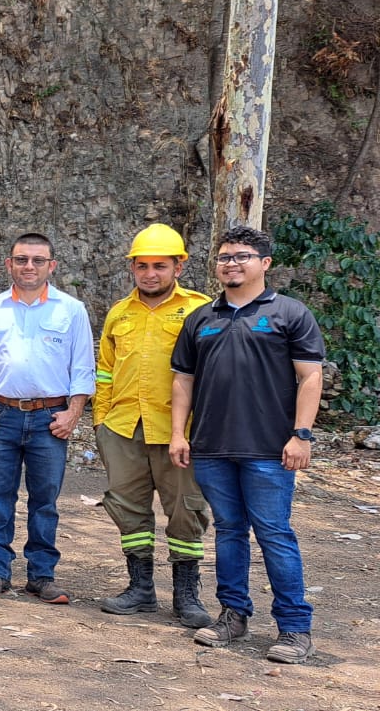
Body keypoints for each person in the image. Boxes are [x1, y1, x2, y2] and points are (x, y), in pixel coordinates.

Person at [170, 225, 325, 664]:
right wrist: (180, 434)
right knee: (229, 532)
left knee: (275, 534)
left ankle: (294, 628)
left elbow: (310, 375)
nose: (231, 264)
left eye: (241, 256)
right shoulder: (201, 318)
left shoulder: (288, 313)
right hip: (212, 447)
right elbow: (183, 380)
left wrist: (301, 434)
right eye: (224, 257)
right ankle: (232, 615)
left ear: (265, 264)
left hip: (269, 450)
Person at [0, 233, 95, 603]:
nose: (29, 267)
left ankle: (41, 574)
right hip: (0, 414)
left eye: (38, 260)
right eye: (22, 259)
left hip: (50, 418)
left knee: (45, 499)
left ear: (51, 265)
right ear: (9, 264)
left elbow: (83, 367)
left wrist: (74, 412)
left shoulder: (71, 310)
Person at [94, 223, 212, 626]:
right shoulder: (119, 313)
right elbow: (105, 371)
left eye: (160, 266)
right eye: (142, 266)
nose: (150, 274)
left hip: (181, 430)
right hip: (124, 428)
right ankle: (140, 589)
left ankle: (186, 596)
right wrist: (101, 422)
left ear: (179, 266)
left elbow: (212, 373)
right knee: (128, 509)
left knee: (185, 510)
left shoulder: (200, 310)